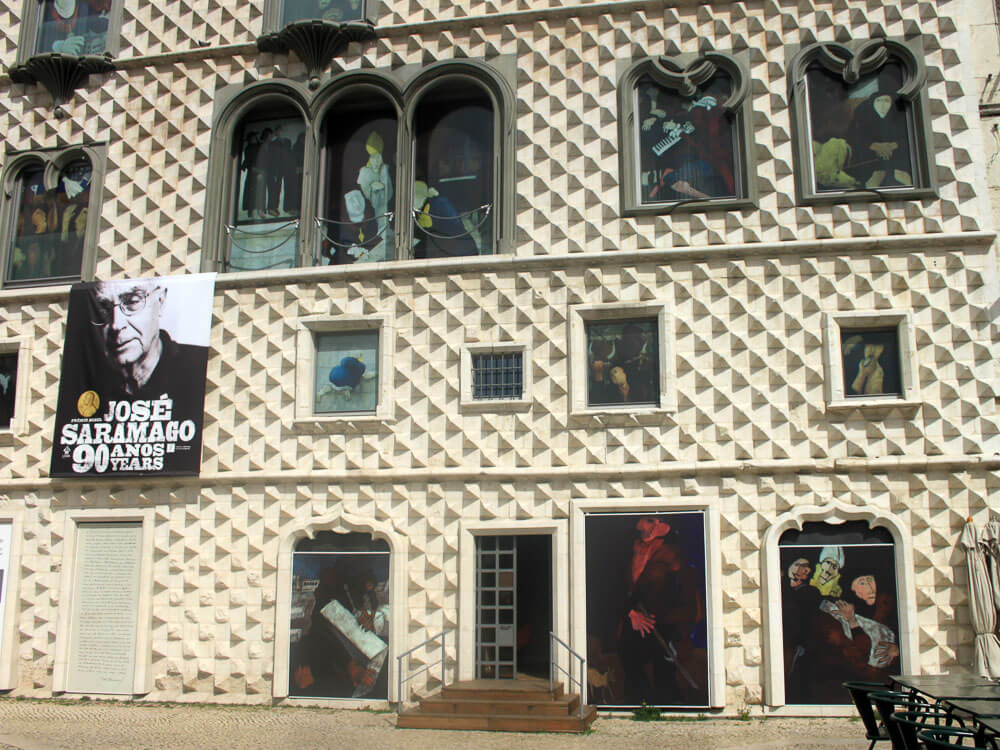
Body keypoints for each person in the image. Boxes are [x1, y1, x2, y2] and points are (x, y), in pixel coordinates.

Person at [90, 279, 207, 409]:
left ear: (160, 301)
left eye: (132, 302)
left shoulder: (201, 366)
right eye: (104, 308)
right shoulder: (88, 379)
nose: (116, 324)